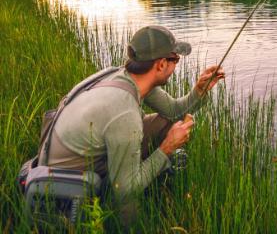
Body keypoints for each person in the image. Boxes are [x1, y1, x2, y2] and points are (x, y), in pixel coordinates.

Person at [38, 25, 224, 223]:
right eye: (175, 59)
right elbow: (125, 190)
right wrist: (167, 148)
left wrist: (199, 90)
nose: (176, 66)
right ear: (161, 64)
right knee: (128, 196)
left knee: (167, 122)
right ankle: (129, 226)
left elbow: (173, 111)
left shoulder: (126, 77)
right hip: (68, 183)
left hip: (79, 155)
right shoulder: (125, 112)